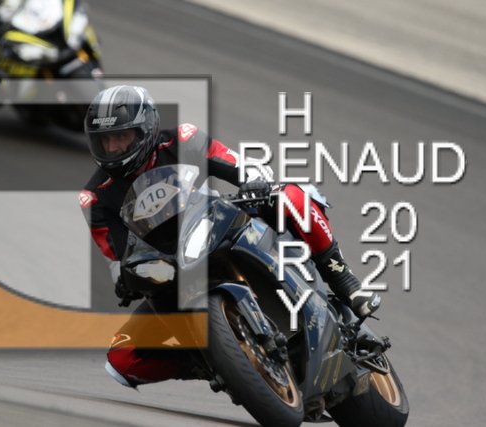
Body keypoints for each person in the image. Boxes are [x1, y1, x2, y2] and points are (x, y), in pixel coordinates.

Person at [79, 85, 380, 388]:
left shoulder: (183, 139)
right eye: (104, 140)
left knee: (292, 196)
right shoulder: (95, 197)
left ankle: (342, 277)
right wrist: (126, 279)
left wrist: (254, 182)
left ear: (145, 130)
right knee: (121, 360)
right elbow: (118, 257)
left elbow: (242, 166)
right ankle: (211, 361)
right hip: (171, 270)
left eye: (121, 136)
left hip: (221, 223)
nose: (112, 148)